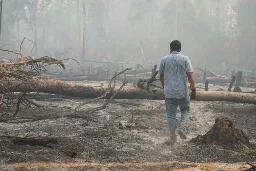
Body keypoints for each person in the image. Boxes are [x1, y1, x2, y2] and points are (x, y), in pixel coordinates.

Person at [159, 40, 196, 145]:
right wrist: (193, 89)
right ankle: (182, 127)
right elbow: (190, 75)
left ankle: (172, 138)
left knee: (171, 115)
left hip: (169, 93)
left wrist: (164, 86)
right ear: (180, 49)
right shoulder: (185, 59)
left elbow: (161, 76)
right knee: (185, 110)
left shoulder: (164, 60)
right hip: (182, 92)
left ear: (170, 49)